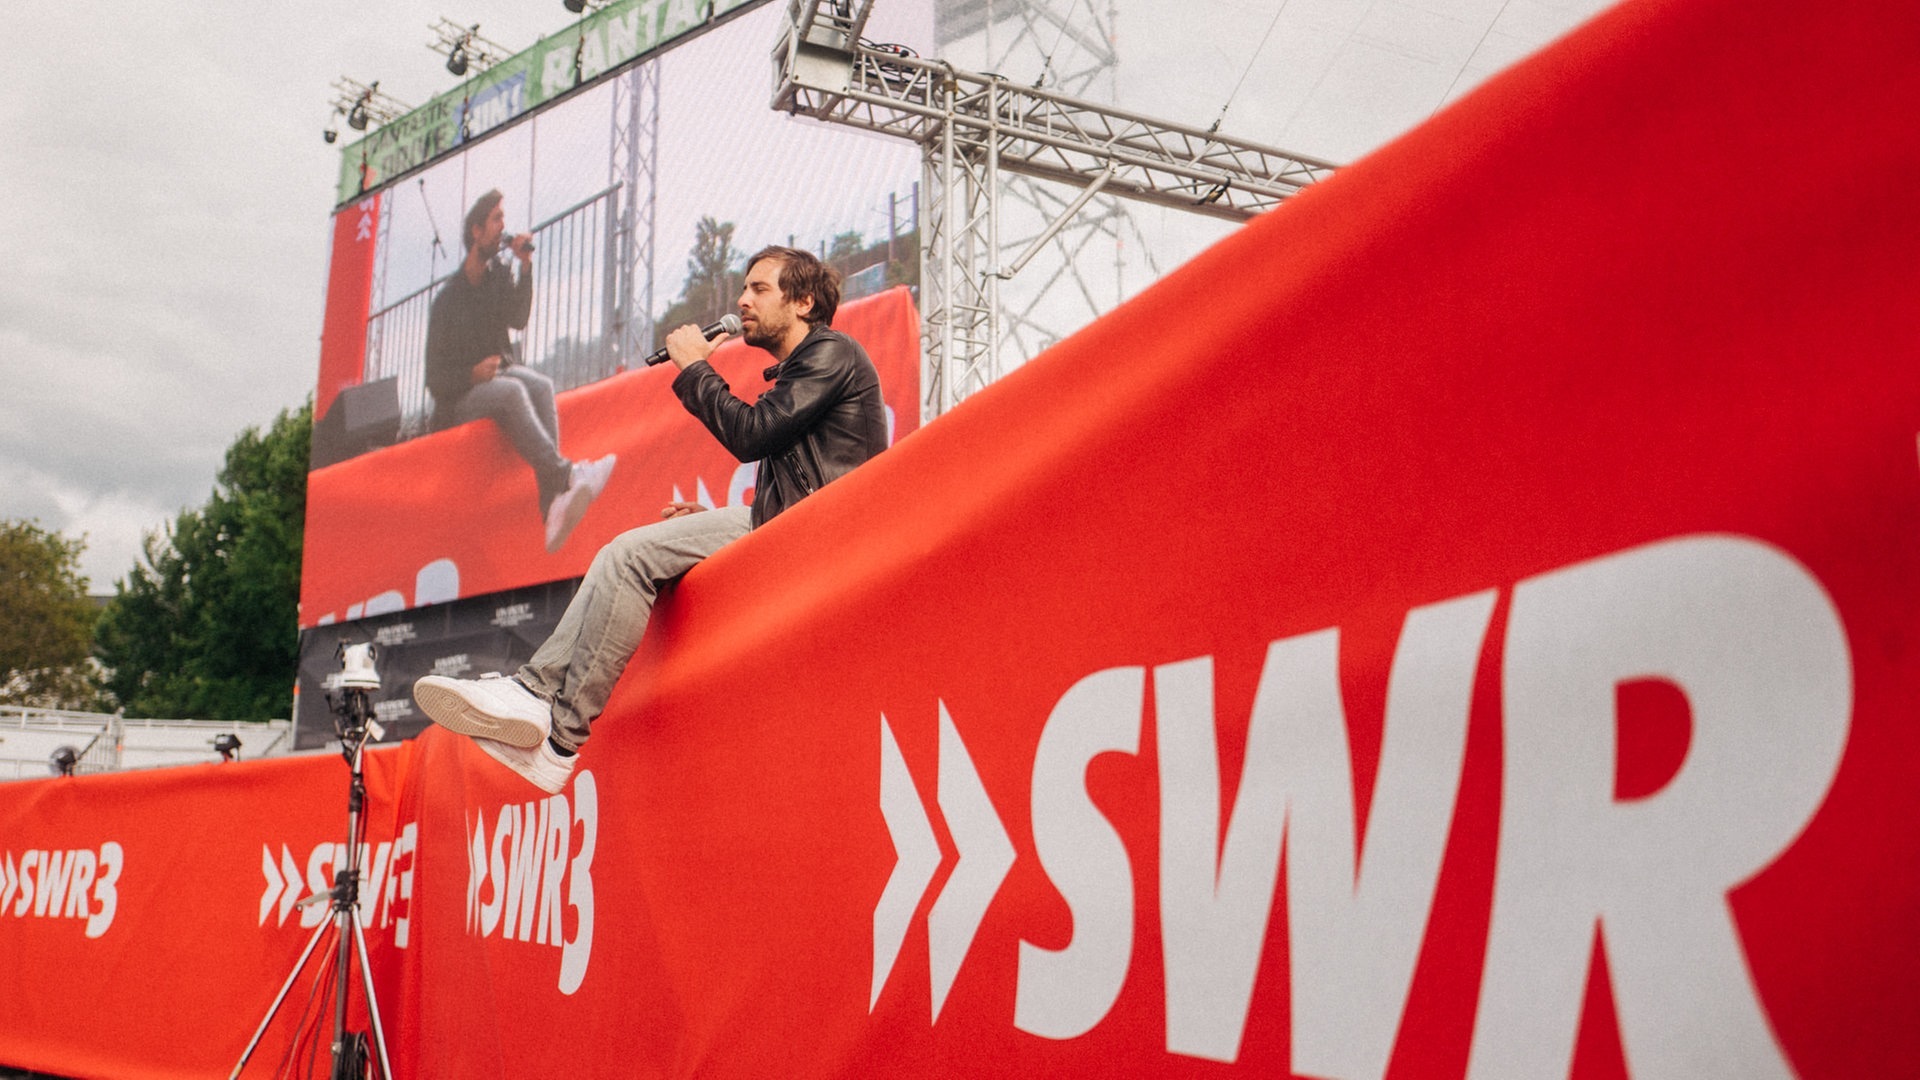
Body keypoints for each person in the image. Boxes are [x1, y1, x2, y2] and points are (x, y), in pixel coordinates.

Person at [413, 246, 888, 792]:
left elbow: (754, 434)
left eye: (759, 288)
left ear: (804, 301)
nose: (742, 300)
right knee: (630, 553)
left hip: (818, 536)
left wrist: (694, 369)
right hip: (790, 525)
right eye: (744, 288)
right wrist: (712, 520)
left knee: (630, 554)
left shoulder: (832, 352)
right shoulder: (804, 368)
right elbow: (793, 472)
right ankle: (538, 706)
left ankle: (552, 724)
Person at [424, 189, 614, 552]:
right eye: (496, 220)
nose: (503, 227)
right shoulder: (448, 300)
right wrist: (471, 375)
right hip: (458, 398)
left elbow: (519, 318)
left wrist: (525, 267)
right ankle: (567, 476)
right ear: (476, 231)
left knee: (540, 385)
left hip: (498, 375)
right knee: (511, 391)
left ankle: (553, 504)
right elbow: (434, 380)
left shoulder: (498, 276)